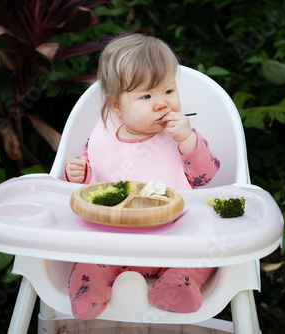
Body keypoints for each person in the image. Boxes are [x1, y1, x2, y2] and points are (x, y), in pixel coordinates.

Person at [64, 33, 221, 320]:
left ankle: (176, 286)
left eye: (169, 91)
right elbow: (90, 176)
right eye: (147, 96)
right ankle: (90, 292)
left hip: (174, 240)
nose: (162, 104)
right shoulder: (103, 135)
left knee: (204, 256)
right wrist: (77, 173)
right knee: (87, 260)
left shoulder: (181, 135)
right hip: (110, 244)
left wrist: (187, 140)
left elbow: (205, 177)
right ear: (117, 107)